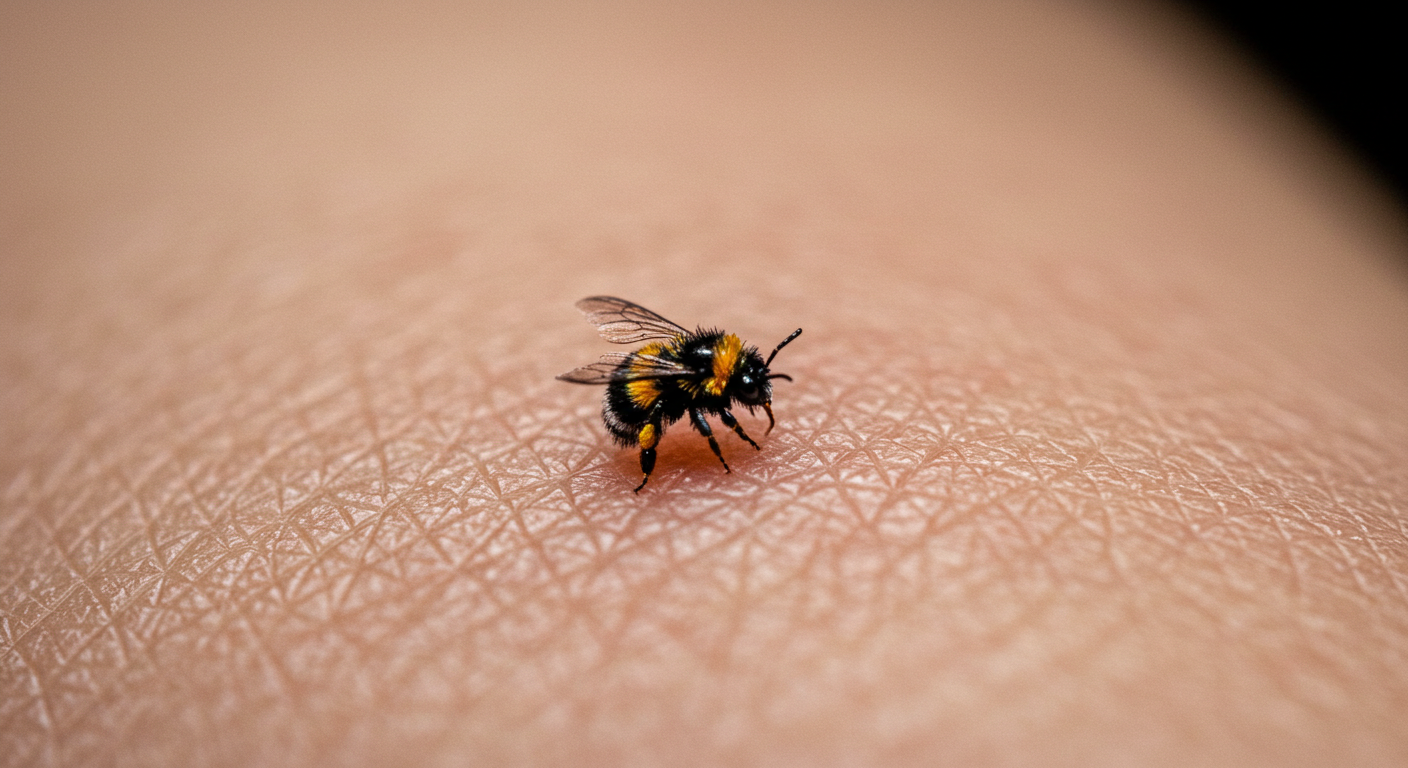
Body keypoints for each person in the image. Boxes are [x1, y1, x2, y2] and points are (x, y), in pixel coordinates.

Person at [3, 0, 1406, 765]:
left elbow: (661, 357)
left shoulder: (703, 358)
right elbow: (648, 379)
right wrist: (660, 436)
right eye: (745, 392)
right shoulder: (679, 385)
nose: (748, 399)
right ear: (713, 383)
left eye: (741, 391)